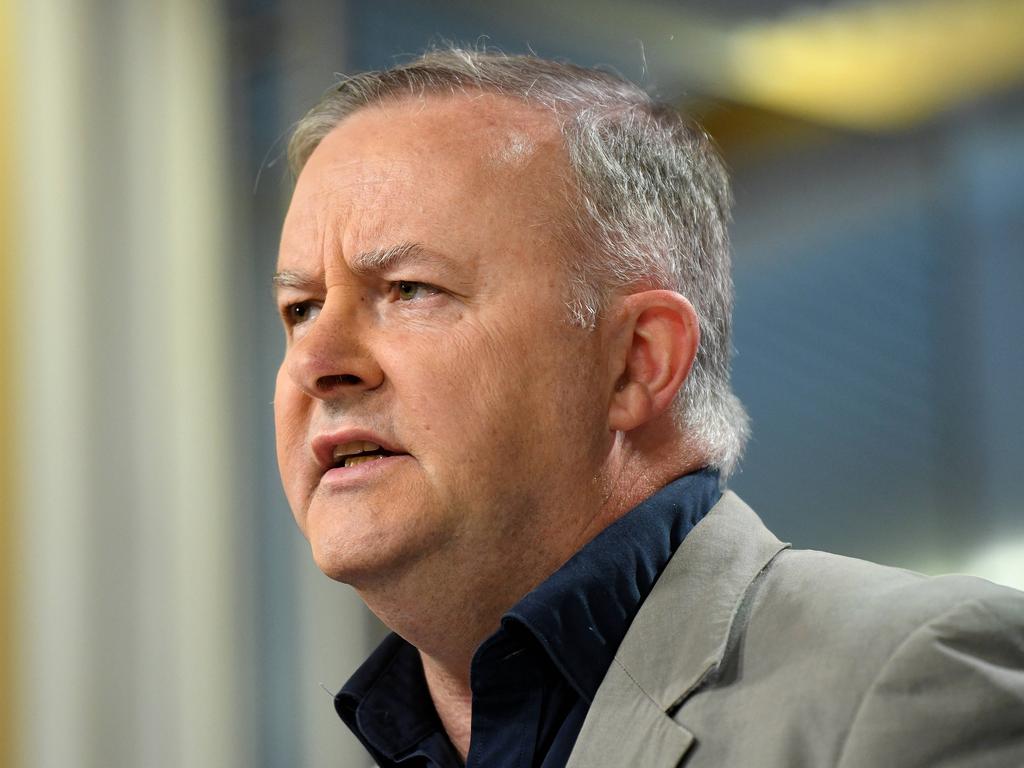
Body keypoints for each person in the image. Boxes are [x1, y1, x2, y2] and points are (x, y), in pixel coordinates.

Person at [272, 48, 1024, 767]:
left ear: (637, 362)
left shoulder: (909, 678)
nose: (315, 364)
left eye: (409, 290)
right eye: (300, 308)